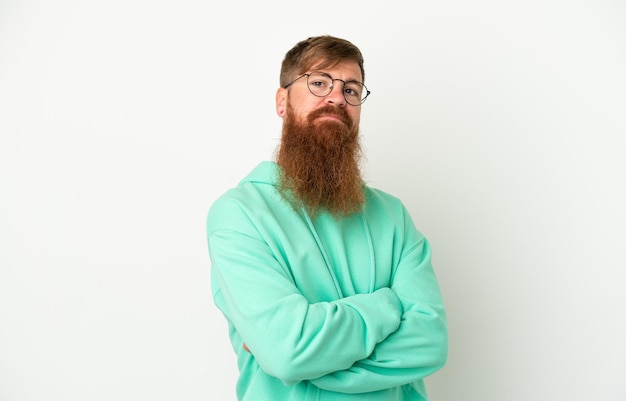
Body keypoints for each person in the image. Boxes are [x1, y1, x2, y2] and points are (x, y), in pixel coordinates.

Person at [206, 35, 448, 401]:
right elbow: (289, 351)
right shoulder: (239, 215)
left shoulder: (393, 216)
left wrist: (315, 366)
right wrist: (389, 305)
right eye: (318, 82)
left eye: (351, 89)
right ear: (282, 100)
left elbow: (430, 343)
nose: (337, 97)